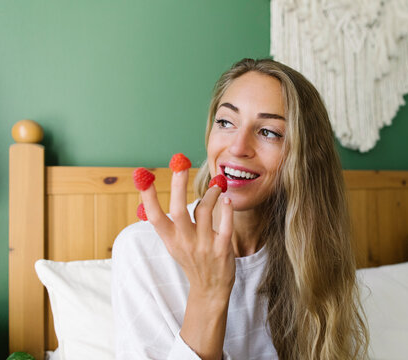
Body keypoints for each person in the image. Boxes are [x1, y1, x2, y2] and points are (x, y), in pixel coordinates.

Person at [111, 58, 369, 360]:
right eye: (226, 122)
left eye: (269, 132)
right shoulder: (142, 249)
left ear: (305, 158)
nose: (237, 147)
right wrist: (209, 292)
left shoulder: (315, 253)